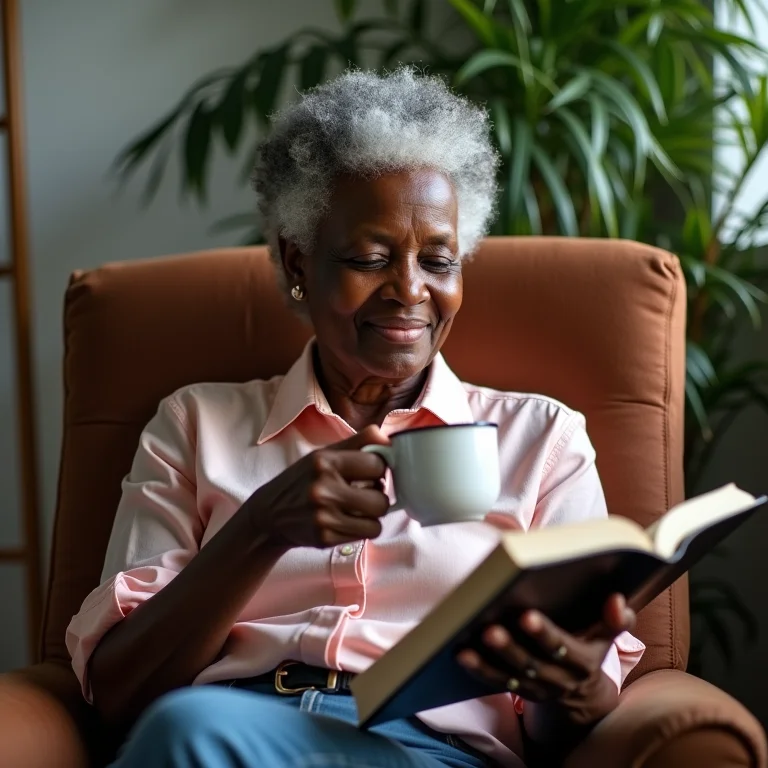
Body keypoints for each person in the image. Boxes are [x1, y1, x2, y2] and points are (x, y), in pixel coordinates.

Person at [66, 67, 645, 768]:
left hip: (432, 751)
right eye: (371, 258)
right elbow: (121, 691)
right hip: (223, 737)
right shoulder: (194, 424)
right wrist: (259, 529)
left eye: (439, 259)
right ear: (298, 263)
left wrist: (572, 683)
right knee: (189, 732)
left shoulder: (542, 440)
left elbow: (561, 731)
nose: (410, 290)